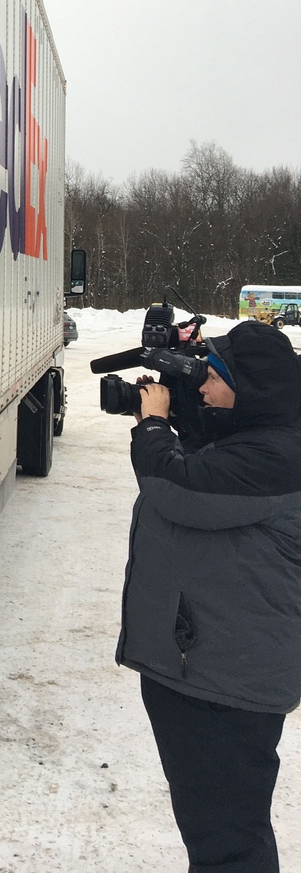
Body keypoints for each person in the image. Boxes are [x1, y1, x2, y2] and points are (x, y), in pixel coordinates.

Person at [118, 320, 301, 872]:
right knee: (225, 832)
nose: (201, 389)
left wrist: (152, 426)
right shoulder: (270, 439)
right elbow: (211, 460)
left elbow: (175, 486)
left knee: (228, 843)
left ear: (251, 389)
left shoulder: (272, 459)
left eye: (214, 378)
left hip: (222, 687)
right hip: (219, 672)